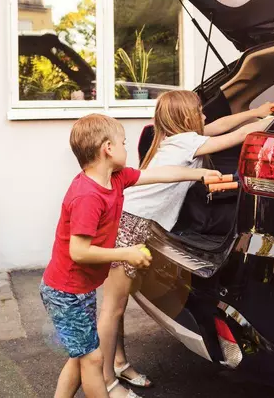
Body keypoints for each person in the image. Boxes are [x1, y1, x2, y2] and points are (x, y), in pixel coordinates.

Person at [97, 91, 274, 395]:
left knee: (118, 305)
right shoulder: (185, 142)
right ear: (186, 118)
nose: (205, 116)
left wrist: (254, 112)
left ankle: (119, 363)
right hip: (130, 225)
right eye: (200, 111)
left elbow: (221, 126)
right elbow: (235, 136)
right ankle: (105, 381)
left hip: (131, 221)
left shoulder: (176, 138)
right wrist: (273, 121)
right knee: (113, 308)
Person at [40, 113, 221, 398]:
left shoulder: (116, 178)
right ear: (108, 149)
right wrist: (127, 253)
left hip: (79, 289)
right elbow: (79, 251)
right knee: (93, 359)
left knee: (80, 357)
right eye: (123, 143)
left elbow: (159, 175)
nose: (127, 147)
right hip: (65, 293)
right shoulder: (88, 196)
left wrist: (199, 174)